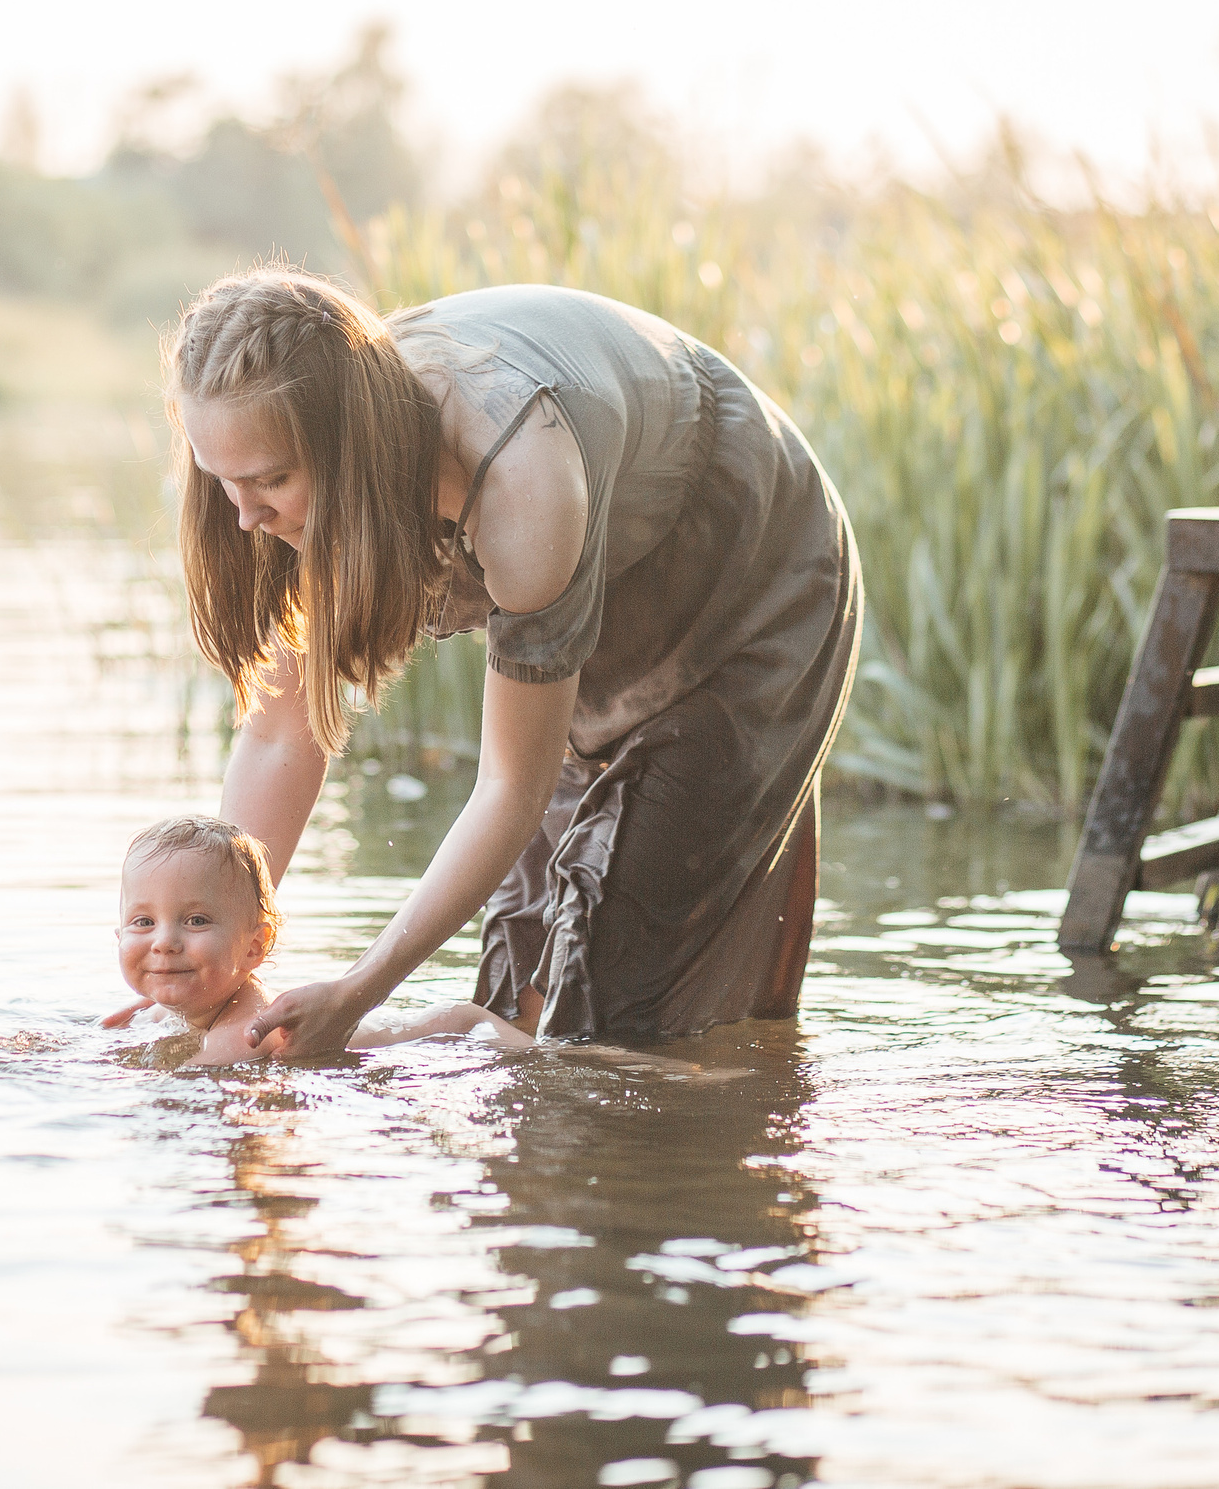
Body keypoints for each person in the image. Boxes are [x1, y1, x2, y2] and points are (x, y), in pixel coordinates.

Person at [166, 272, 861, 1055]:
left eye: (269, 482)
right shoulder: (276, 469)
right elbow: (280, 737)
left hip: (751, 583)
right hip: (602, 585)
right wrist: (209, 967)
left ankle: (722, 1108)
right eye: (221, 478)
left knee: (613, 1013)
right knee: (525, 1000)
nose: (245, 515)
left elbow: (511, 785)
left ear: (348, 449)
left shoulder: (519, 475)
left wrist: (359, 991)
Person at [102, 814, 531, 1065]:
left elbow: (192, 1067)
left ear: (254, 947)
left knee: (554, 1058)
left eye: (195, 920)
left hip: (463, 1029)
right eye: (143, 923)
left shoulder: (248, 1023)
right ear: (118, 934)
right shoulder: (172, 1011)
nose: (164, 943)